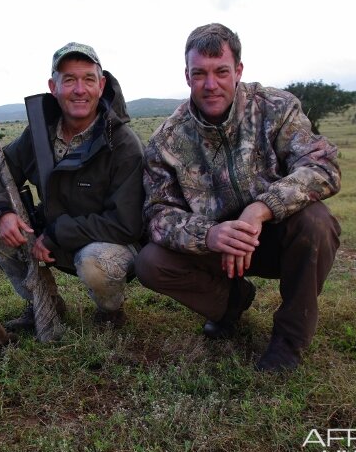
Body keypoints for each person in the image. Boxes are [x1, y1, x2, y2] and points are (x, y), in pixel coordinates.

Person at [136, 23, 341, 372]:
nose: (210, 84)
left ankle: (289, 341)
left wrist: (260, 210)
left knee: (317, 222)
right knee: (150, 262)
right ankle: (232, 305)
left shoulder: (277, 107)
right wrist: (210, 235)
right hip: (216, 249)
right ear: (187, 76)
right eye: (199, 73)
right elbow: (157, 215)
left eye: (221, 72)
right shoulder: (166, 140)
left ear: (239, 71)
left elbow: (323, 169)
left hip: (275, 238)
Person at [0, 42, 144, 331]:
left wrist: (56, 235)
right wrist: (2, 213)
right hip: (50, 238)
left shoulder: (124, 143)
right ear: (54, 87)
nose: (80, 89)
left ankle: (110, 312)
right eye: (69, 80)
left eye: (88, 79)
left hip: (103, 241)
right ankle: (43, 302)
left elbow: (126, 224)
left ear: (101, 86)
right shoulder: (39, 134)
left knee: (95, 262)